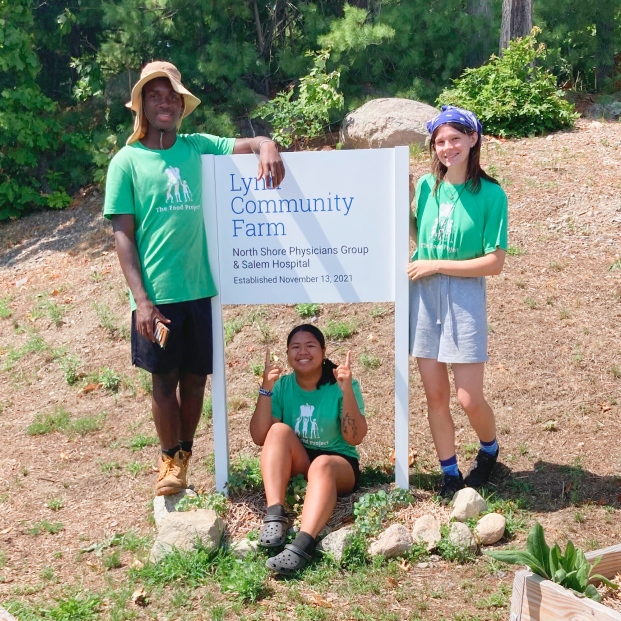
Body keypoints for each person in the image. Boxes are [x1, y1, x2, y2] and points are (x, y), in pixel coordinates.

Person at [104, 61, 285, 496]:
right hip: (157, 299)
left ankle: (183, 455)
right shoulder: (127, 161)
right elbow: (123, 236)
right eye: (155, 96)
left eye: (172, 96)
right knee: (164, 382)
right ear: (142, 106)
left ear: (182, 106)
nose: (164, 102)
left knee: (195, 381)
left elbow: (249, 142)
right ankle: (168, 460)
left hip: (199, 292)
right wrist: (141, 301)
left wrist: (269, 145)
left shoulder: (197, 147)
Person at [408, 106, 508, 499]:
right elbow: (412, 231)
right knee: (436, 395)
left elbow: (495, 262)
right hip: (424, 298)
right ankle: (449, 473)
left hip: (465, 298)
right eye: (439, 141)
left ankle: (489, 449)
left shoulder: (491, 194)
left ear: (472, 140)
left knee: (468, 397)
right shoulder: (424, 188)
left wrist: (436, 264)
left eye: (454, 139)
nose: (446, 147)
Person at [250, 324, 367, 574]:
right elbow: (261, 437)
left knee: (322, 464)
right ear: (288, 354)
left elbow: (354, 437)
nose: (303, 351)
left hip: (338, 464)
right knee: (278, 430)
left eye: (310, 345)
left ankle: (303, 545)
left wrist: (347, 392)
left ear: (323, 352)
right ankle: (275, 516)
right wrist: (266, 389)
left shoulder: (342, 383)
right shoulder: (282, 386)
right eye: (295, 347)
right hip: (302, 461)